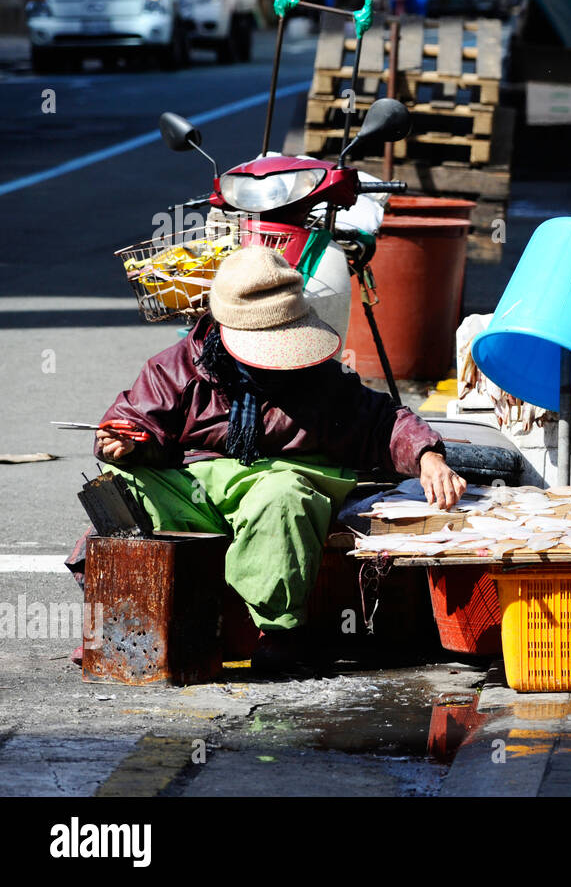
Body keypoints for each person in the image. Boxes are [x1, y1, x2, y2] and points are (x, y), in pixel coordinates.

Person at [88, 248, 466, 676]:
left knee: (282, 493)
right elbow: (135, 422)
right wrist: (126, 444)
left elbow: (384, 422)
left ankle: (277, 631)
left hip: (276, 491)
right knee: (119, 480)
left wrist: (427, 455)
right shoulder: (174, 369)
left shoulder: (318, 379)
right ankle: (138, 615)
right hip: (197, 494)